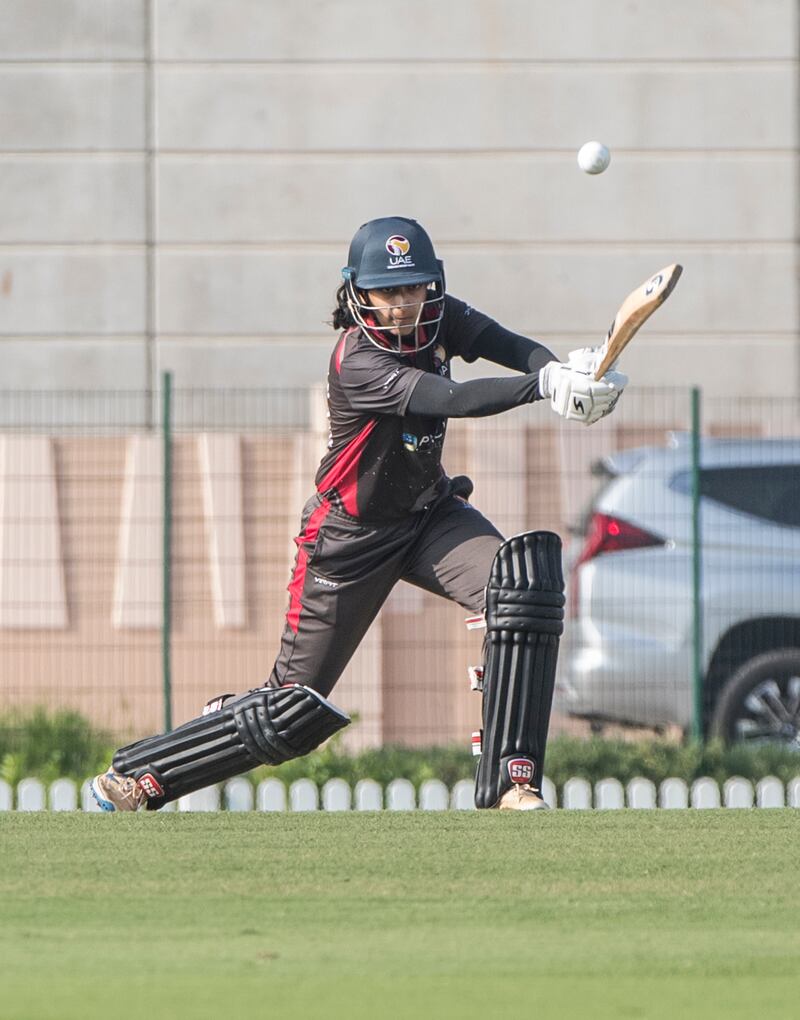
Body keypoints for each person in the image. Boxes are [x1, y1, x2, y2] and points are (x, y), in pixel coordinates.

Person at [92, 216, 626, 813]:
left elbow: (508, 347)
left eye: (415, 288)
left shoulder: (439, 315)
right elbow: (446, 398)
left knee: (518, 587)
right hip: (348, 540)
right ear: (358, 293)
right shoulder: (357, 359)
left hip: (429, 516)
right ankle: (142, 774)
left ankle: (512, 781)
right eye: (389, 292)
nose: (404, 305)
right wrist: (543, 386)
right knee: (290, 713)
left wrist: (566, 375)